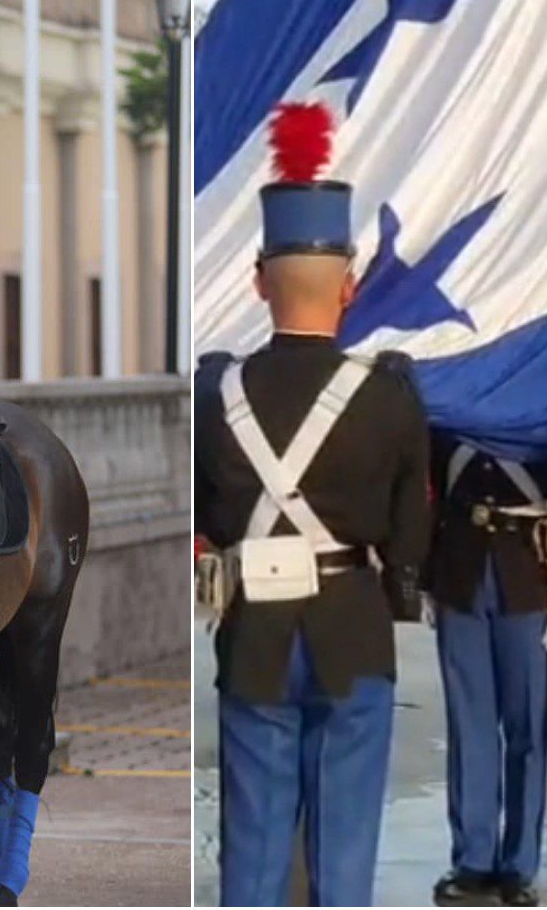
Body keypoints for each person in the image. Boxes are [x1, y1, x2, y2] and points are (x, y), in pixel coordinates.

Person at [194, 101, 431, 906]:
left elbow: (204, 519)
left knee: (254, 857)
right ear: (351, 284)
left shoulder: (215, 391)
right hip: (353, 629)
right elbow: (411, 535)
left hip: (255, 627)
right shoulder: (390, 393)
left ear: (259, 279)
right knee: (345, 857)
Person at [427, 434, 547, 908]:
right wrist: (426, 577)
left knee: (528, 729)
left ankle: (520, 865)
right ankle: (473, 860)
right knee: (469, 725)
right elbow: (432, 494)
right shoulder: (450, 413)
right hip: (460, 577)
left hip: (527, 576)